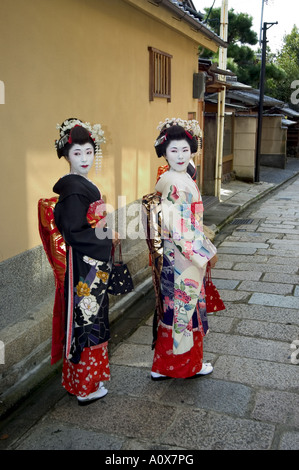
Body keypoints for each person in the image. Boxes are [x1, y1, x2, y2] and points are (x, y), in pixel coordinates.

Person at [48, 118, 118, 405]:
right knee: (86, 320)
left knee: (93, 318)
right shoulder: (73, 190)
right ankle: (85, 387)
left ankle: (83, 379)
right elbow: (74, 231)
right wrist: (106, 236)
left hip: (93, 262)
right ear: (66, 156)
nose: (85, 158)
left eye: (89, 151)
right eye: (77, 153)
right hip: (85, 264)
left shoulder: (81, 184)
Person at [143, 118, 218, 380]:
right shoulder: (176, 184)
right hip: (183, 254)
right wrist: (207, 252)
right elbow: (182, 228)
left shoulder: (176, 176)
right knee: (185, 310)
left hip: (173, 253)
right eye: (173, 150)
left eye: (185, 149)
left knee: (173, 308)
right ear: (164, 153)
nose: (180, 155)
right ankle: (187, 366)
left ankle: (161, 366)